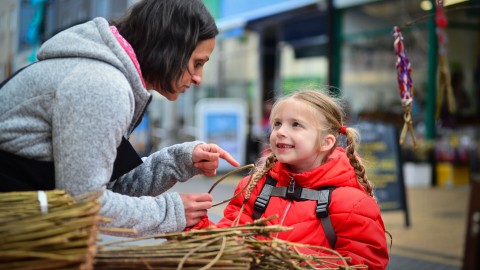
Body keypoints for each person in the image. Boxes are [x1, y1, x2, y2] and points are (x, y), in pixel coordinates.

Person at [0, 0, 240, 236]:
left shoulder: (103, 74)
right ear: (171, 47)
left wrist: (180, 161)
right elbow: (84, 204)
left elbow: (111, 187)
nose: (199, 78)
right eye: (197, 63)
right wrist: (172, 212)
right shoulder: (101, 85)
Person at [191, 89, 389, 269]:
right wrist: (197, 225)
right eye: (277, 123)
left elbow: (364, 264)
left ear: (325, 142)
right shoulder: (254, 187)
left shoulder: (352, 203)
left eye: (296, 125)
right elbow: (229, 240)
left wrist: (289, 262)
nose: (281, 132)